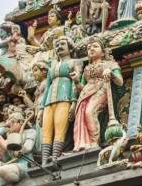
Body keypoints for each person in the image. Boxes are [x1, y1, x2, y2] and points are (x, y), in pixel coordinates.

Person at [72, 40, 123, 152]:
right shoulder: (87, 68)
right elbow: (81, 87)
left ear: (103, 52)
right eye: (89, 47)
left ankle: (94, 142)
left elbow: (120, 82)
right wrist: (76, 81)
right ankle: (84, 143)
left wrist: (111, 73)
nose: (91, 49)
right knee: (81, 115)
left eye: (95, 46)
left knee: (90, 112)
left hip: (102, 87)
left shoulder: (110, 64)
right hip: (85, 93)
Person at [39, 36, 81, 166]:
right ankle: (44, 160)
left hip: (65, 97)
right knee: (46, 130)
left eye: (63, 44)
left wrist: (73, 102)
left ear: (70, 47)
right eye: (57, 45)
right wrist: (41, 108)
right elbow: (47, 87)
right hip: (49, 100)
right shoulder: (52, 65)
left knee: (60, 128)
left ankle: (55, 157)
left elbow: (76, 81)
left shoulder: (75, 62)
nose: (59, 47)